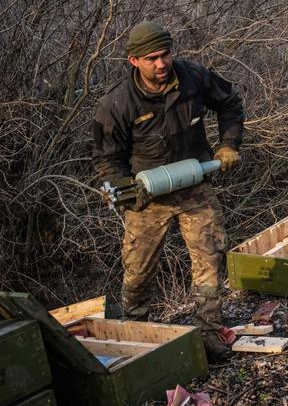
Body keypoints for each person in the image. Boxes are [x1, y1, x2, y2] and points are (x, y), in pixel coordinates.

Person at [91, 20, 244, 361]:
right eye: (151, 58)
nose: (161, 64)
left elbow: (230, 103)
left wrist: (229, 143)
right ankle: (136, 334)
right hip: (148, 197)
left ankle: (208, 331)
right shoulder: (116, 104)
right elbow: (106, 159)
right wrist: (119, 187)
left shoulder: (193, 77)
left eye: (165, 54)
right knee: (138, 269)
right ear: (134, 61)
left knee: (209, 259)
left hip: (195, 186)